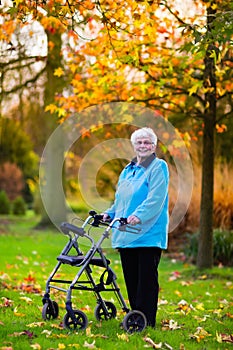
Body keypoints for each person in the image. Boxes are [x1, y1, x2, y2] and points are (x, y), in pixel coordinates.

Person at [103, 127, 169, 328]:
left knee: (146, 282)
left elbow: (156, 199)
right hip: (126, 235)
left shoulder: (159, 167)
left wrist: (137, 216)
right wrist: (110, 214)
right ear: (133, 145)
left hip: (148, 234)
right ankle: (135, 319)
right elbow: (120, 200)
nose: (143, 145)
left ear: (154, 145)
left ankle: (147, 322)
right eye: (139, 142)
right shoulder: (128, 170)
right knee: (131, 280)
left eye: (147, 142)